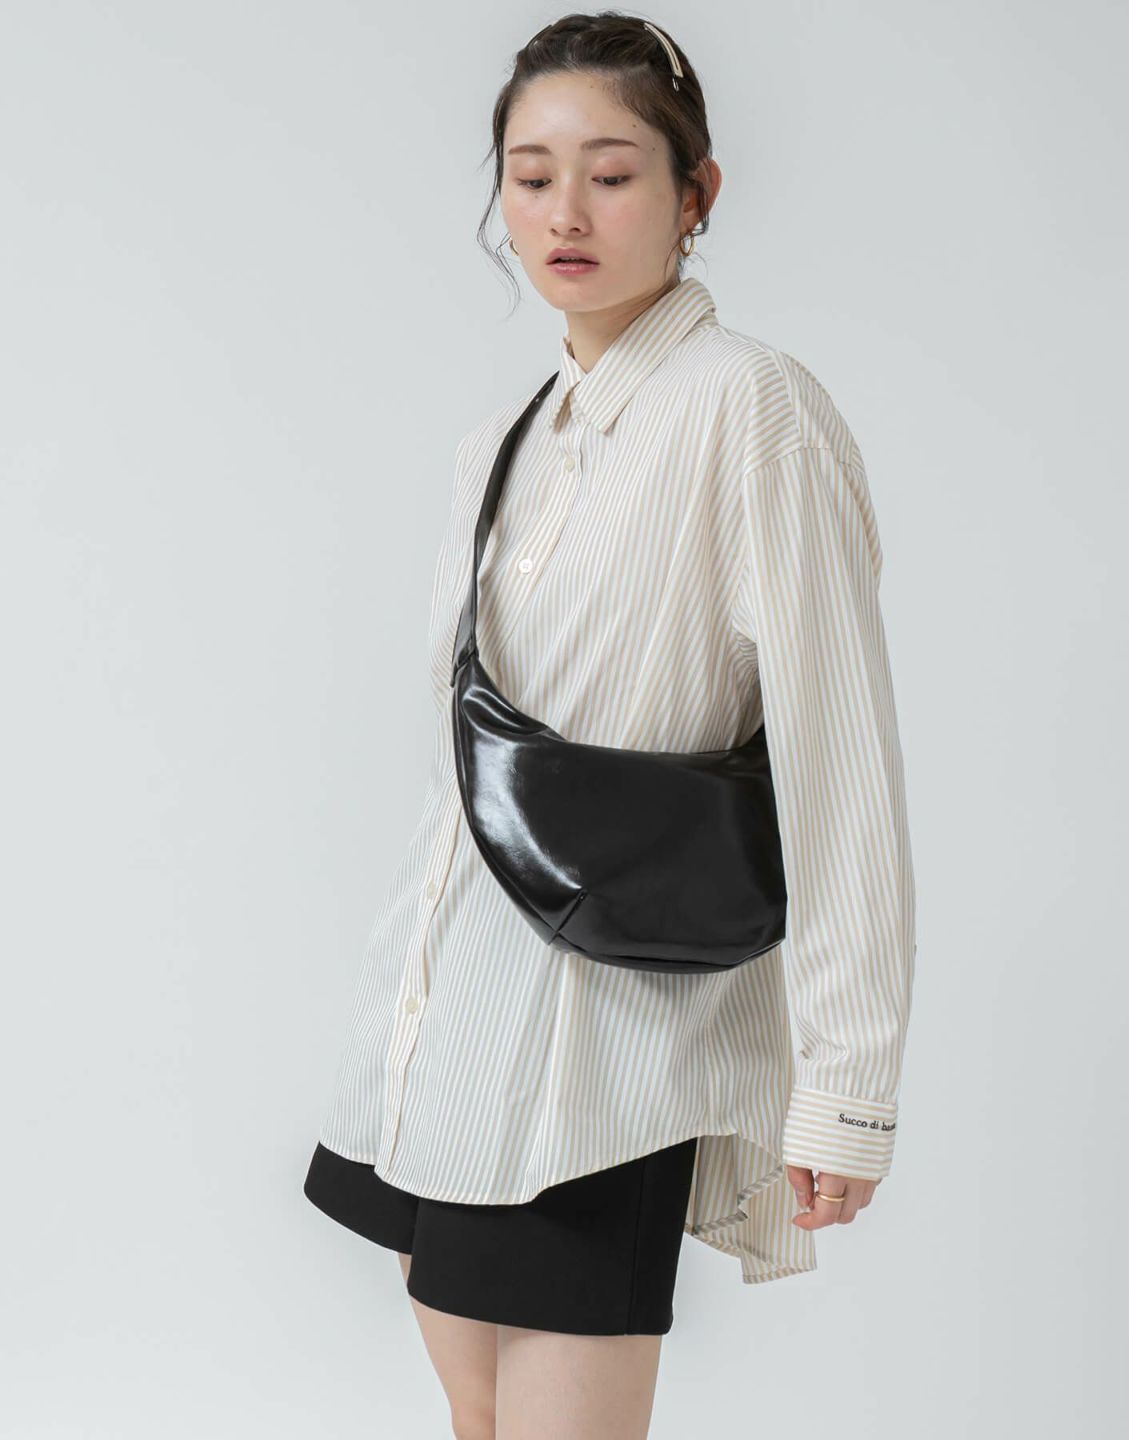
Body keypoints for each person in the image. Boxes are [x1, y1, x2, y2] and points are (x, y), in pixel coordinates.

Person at [303, 13, 917, 1439]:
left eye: (613, 172)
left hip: (608, 1049)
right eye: (531, 176)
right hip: (448, 1034)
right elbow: (470, 773)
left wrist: (848, 1085)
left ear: (698, 194)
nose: (565, 213)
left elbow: (838, 762)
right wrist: (394, 1020)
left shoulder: (753, 409)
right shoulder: (508, 441)